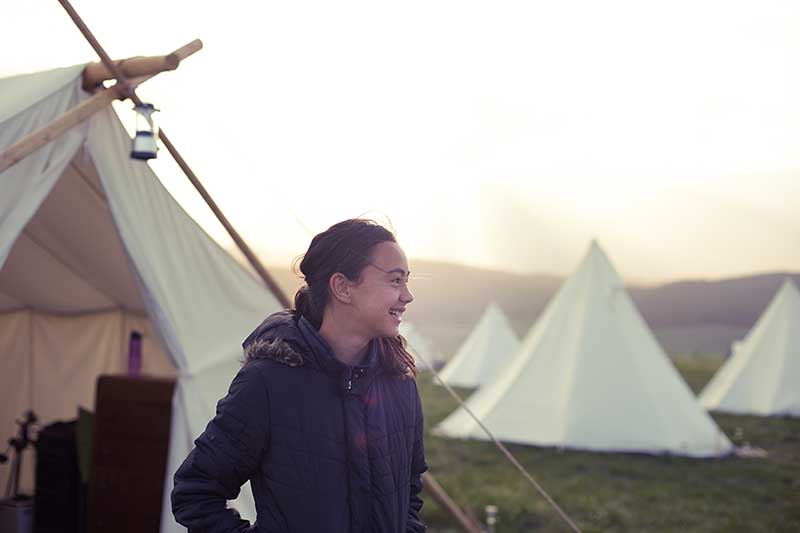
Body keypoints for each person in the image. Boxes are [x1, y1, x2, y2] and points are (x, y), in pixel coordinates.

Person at [172, 219, 427, 532]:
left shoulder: (400, 383)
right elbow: (195, 491)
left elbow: (409, 493)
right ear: (343, 287)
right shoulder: (268, 383)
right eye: (395, 281)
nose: (408, 296)